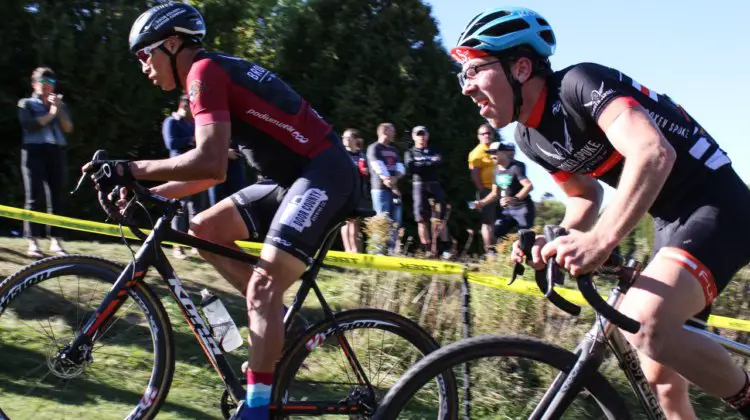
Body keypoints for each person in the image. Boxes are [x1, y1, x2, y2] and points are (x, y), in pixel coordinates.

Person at [452, 6, 750, 418]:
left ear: (520, 67)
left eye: (474, 70)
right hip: (669, 220)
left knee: (645, 323)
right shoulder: (529, 137)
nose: (466, 87)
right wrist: (552, 237)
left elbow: (652, 152)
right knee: (661, 376)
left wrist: (600, 239)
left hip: (718, 204)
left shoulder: (579, 83)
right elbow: (584, 198)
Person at [85, 4, 360, 419]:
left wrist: (129, 169)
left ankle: (258, 408)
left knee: (263, 287)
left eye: (145, 54)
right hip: (290, 177)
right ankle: (283, 326)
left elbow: (209, 162)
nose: (143, 66)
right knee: (204, 229)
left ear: (173, 44)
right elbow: (210, 172)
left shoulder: (203, 72)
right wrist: (152, 192)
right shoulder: (208, 73)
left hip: (324, 173)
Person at [17, 66, 74, 258]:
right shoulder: (26, 103)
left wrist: (58, 110)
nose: (46, 86)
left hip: (55, 151)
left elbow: (68, 128)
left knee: (56, 196)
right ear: (34, 84)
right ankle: (33, 242)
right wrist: (51, 112)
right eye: (43, 82)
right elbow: (29, 125)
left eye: (50, 83)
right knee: (34, 196)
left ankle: (56, 242)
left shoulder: (59, 105)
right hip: (34, 151)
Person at [162, 94, 206, 259]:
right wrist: (192, 139)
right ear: (183, 104)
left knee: (196, 208)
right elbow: (171, 143)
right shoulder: (171, 122)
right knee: (179, 209)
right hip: (179, 170)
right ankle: (177, 247)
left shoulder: (193, 123)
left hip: (196, 170)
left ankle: (194, 244)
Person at [404, 125, 450, 258]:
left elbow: (439, 163)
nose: (421, 137)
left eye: (423, 134)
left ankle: (446, 248)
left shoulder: (435, 150)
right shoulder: (410, 152)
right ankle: (427, 249)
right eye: (418, 134)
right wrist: (429, 164)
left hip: (434, 186)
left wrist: (422, 165)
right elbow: (411, 167)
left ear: (428, 136)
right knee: (421, 219)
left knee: (439, 218)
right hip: (418, 187)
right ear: (413, 137)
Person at [472, 141, 534, 240]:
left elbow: (528, 186)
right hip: (508, 211)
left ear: (504, 153)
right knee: (496, 232)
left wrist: (515, 199)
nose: (492, 156)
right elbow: (494, 193)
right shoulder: (495, 171)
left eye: (494, 152)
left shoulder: (516, 168)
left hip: (522, 208)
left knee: (525, 237)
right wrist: (481, 203)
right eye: (490, 153)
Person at [366, 122, 405, 254]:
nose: (394, 133)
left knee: (395, 222)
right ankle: (377, 251)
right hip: (380, 189)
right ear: (384, 131)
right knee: (382, 219)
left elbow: (400, 167)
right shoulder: (374, 148)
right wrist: (391, 182)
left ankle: (392, 252)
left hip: (393, 188)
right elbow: (379, 169)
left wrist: (396, 179)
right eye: (392, 131)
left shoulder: (394, 150)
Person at [467, 123, 498, 255]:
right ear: (479, 136)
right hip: (486, 190)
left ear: (493, 134)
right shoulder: (476, 153)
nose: (486, 136)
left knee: (500, 221)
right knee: (488, 221)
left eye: (488, 133)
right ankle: (489, 250)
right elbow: (474, 174)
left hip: (501, 190)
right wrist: (482, 191)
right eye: (483, 134)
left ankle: (501, 248)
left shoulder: (497, 149)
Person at [340, 128, 368, 253]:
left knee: (355, 222)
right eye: (343, 137)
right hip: (344, 192)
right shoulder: (341, 153)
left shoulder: (361, 155)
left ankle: (356, 251)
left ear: (356, 140)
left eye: (348, 137)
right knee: (346, 222)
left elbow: (365, 171)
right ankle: (349, 250)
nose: (344, 140)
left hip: (358, 192)